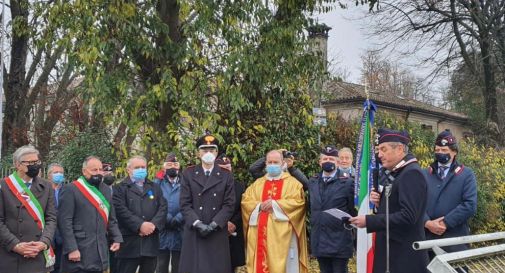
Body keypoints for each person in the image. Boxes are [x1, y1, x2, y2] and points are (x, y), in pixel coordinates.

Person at [349, 129, 429, 273]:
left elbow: (408, 216)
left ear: (399, 149)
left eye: (383, 149)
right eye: (379, 150)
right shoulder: (399, 172)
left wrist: (369, 221)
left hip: (404, 258)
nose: (379, 155)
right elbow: (397, 208)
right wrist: (381, 203)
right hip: (393, 254)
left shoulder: (411, 173)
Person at [242, 149, 309, 273]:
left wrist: (275, 204)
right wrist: (259, 206)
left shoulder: (293, 184)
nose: (272, 165)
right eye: (270, 162)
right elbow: (246, 202)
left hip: (284, 237)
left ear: (283, 163)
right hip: (259, 234)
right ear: (265, 164)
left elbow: (298, 203)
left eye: (276, 162)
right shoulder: (257, 183)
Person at [179, 133, 235, 273]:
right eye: (204, 150)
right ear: (198, 153)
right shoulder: (188, 173)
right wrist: (197, 224)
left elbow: (229, 204)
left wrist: (214, 224)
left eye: (212, 150)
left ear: (216, 153)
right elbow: (185, 203)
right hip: (195, 230)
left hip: (216, 231)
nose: (208, 153)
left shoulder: (225, 175)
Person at [58, 156, 123, 273]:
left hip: (99, 250)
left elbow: (111, 218)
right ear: (84, 171)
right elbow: (64, 222)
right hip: (78, 249)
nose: (98, 173)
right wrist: (71, 248)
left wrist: (117, 238)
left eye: (100, 170)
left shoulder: (106, 190)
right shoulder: (71, 189)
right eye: (94, 170)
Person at [0, 145, 57, 273]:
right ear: (17, 164)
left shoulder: (46, 186)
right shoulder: (3, 186)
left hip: (38, 253)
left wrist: (44, 242)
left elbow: (51, 218)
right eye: (30, 163)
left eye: (36, 162)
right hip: (11, 255)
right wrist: (15, 245)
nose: (35, 166)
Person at [424, 129, 477, 255]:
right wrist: (427, 222)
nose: (440, 153)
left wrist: (445, 222)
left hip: (454, 241)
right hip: (426, 240)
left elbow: (469, 205)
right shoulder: (425, 173)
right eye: (437, 150)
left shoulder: (466, 174)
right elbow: (416, 203)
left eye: (444, 150)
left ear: (454, 152)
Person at [113, 155, 167, 273]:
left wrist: (152, 225)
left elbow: (163, 208)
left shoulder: (155, 187)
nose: (141, 170)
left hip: (150, 243)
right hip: (129, 244)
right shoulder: (119, 188)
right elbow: (120, 211)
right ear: (128, 170)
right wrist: (140, 225)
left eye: (143, 167)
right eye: (137, 167)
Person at [308, 145, 356, 273]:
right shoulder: (313, 181)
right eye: (324, 159)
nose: (327, 161)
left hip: (339, 239)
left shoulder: (348, 183)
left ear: (338, 162)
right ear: (320, 162)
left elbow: (353, 210)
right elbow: (311, 207)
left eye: (331, 159)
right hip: (319, 238)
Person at [216, 154, 246, 272]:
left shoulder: (239, 186)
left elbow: (243, 208)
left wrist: (233, 223)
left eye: (228, 168)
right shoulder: (207, 186)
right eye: (222, 168)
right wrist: (221, 222)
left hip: (233, 233)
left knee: (232, 267)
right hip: (215, 232)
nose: (225, 171)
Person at [155, 153, 183, 273]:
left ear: (179, 167)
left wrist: (179, 217)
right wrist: (165, 217)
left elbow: (191, 203)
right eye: (169, 165)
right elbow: (153, 203)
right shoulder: (157, 183)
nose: (172, 167)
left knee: (179, 266)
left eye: (175, 165)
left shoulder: (186, 183)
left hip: (181, 229)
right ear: (164, 167)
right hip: (162, 229)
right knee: (161, 265)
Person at [48, 162, 65, 273]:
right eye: (56, 172)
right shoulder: (43, 189)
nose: (59, 174)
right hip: (49, 235)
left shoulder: (67, 190)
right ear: (49, 175)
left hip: (63, 235)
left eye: (61, 173)